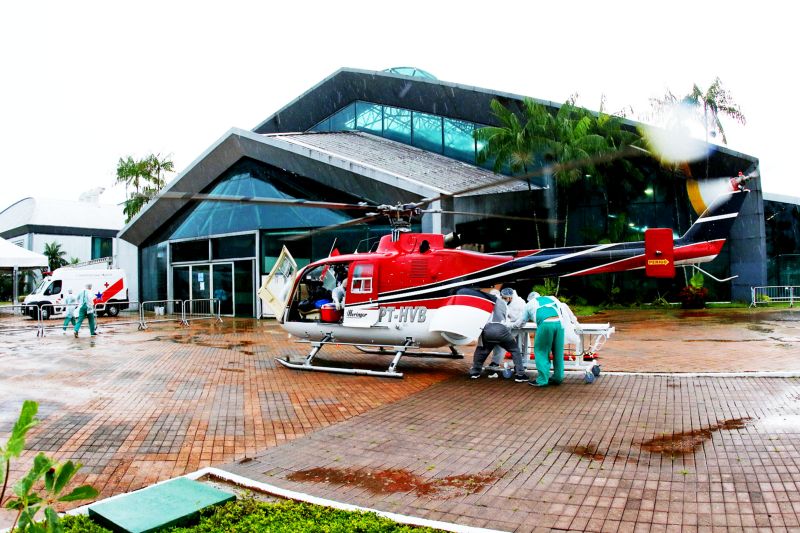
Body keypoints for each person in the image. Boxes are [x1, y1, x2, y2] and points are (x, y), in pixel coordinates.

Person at [513, 292, 577, 387]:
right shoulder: (551, 298)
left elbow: (521, 322)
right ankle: (558, 378)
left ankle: (542, 380)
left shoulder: (529, 304)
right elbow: (564, 309)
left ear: (529, 299)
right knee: (558, 352)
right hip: (559, 325)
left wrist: (512, 325)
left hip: (546, 324)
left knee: (541, 351)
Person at [466, 287, 527, 382]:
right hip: (501, 330)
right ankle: (520, 375)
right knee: (515, 350)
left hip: (487, 330)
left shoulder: (486, 303)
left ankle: (475, 372)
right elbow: (507, 321)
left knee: (481, 350)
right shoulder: (504, 305)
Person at [488, 287, 527, 371]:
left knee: (523, 343)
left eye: (505, 298)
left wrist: (514, 323)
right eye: (503, 297)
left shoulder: (520, 302)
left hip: (519, 325)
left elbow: (523, 317)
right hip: (506, 325)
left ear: (511, 297)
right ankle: (495, 362)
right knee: (499, 343)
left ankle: (523, 362)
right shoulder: (501, 301)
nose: (504, 299)